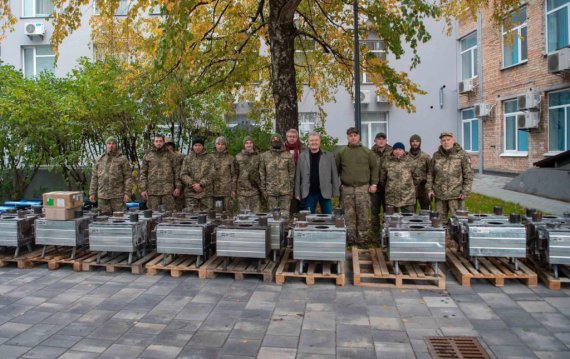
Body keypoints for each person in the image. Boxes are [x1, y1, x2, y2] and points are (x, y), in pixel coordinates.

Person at [336, 127, 379, 244]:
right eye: (350, 135)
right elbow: (337, 170)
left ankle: (363, 239)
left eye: (355, 135)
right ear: (347, 137)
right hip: (347, 189)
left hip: (363, 188)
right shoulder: (341, 153)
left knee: (363, 214)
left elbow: (374, 168)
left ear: (359, 136)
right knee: (348, 215)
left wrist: (374, 184)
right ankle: (350, 238)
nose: (353, 137)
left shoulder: (367, 152)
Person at [426, 131, 474, 219]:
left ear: (453, 141)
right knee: (439, 221)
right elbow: (430, 174)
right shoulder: (436, 155)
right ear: (441, 142)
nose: (446, 142)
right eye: (443, 140)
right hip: (439, 195)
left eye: (448, 140)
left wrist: (465, 191)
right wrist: (429, 189)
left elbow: (468, 175)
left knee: (458, 222)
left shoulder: (462, 155)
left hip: (456, 195)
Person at [294, 131, 340, 214]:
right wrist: (297, 192)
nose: (314, 142)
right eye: (311, 140)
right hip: (309, 193)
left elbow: (334, 174)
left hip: (325, 192)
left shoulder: (329, 156)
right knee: (309, 218)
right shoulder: (302, 156)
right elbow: (298, 176)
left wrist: (335, 191)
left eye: (316, 140)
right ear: (308, 142)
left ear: (319, 141)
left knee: (329, 217)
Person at [89, 136, 132, 215]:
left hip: (117, 196)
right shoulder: (99, 159)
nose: (111, 145)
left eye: (113, 143)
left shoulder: (122, 159)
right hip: (103, 196)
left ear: (116, 145)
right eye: (109, 143)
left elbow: (128, 177)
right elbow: (94, 177)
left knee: (119, 219)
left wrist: (127, 193)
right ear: (106, 145)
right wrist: (92, 193)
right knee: (103, 219)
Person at [140, 134, 181, 211]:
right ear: (154, 142)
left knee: (169, 215)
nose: (158, 143)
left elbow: (177, 172)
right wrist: (143, 189)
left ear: (164, 142)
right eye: (156, 141)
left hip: (167, 191)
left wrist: (178, 187)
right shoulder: (147, 155)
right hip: (152, 191)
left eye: (160, 141)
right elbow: (143, 173)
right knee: (152, 216)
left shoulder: (171, 155)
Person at [259, 133, 295, 218]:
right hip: (270, 192)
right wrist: (264, 190)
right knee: (272, 217)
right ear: (271, 141)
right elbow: (262, 174)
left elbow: (292, 174)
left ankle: (285, 231)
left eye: (277, 139)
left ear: (281, 141)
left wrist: (290, 191)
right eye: (273, 139)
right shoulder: (264, 156)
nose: (275, 141)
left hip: (285, 192)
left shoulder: (288, 156)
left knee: (285, 216)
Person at [380, 142, 420, 213]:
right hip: (391, 197)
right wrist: (389, 187)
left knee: (408, 221)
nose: (397, 151)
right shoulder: (387, 162)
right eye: (395, 149)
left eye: (400, 149)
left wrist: (409, 187)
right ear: (393, 151)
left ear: (404, 151)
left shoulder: (410, 162)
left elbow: (416, 178)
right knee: (392, 221)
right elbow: (382, 179)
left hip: (407, 197)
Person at [180, 137, 214, 212]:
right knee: (192, 217)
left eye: (199, 145)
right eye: (195, 145)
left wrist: (201, 184)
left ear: (203, 146)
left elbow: (212, 173)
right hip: (191, 193)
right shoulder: (187, 158)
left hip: (206, 193)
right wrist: (193, 184)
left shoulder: (210, 158)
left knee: (208, 216)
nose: (197, 147)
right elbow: (183, 174)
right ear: (192, 146)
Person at [370, 132, 392, 236]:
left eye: (383, 138)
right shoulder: (370, 153)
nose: (381, 140)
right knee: (375, 212)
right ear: (375, 140)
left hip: (389, 187)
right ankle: (376, 235)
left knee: (388, 212)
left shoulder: (392, 151)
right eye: (379, 139)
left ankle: (388, 234)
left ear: (386, 140)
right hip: (375, 187)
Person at [235, 136, 262, 212]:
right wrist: (234, 189)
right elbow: (235, 174)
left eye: (250, 143)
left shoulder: (259, 156)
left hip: (255, 191)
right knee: (243, 217)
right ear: (244, 145)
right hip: (242, 192)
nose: (248, 145)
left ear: (253, 144)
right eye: (246, 143)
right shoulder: (238, 157)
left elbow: (262, 173)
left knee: (256, 216)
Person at [284, 128, 307, 214]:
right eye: (290, 136)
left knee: (300, 198)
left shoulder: (303, 148)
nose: (292, 138)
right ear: (286, 137)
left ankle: (300, 216)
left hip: (300, 177)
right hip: (285, 177)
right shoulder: (282, 148)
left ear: (297, 137)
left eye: (294, 136)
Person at [212, 136, 237, 212]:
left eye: (223, 144)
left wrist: (233, 190)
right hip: (213, 192)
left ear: (225, 145)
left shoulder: (230, 158)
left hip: (227, 192)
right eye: (218, 144)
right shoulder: (209, 157)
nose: (220, 146)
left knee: (228, 214)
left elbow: (234, 175)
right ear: (215, 145)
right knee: (215, 214)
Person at [408, 134, 431, 211]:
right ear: (410, 143)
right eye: (413, 141)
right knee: (410, 212)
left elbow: (430, 172)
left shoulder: (426, 157)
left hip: (423, 189)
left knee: (425, 212)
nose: (415, 143)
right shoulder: (406, 156)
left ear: (420, 142)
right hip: (410, 189)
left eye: (417, 141)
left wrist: (428, 186)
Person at [165, 137, 186, 212]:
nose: (169, 146)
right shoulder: (163, 157)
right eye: (166, 145)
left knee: (179, 207)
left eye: (170, 144)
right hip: (166, 186)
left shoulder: (180, 156)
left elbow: (185, 170)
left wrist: (179, 186)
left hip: (180, 184)